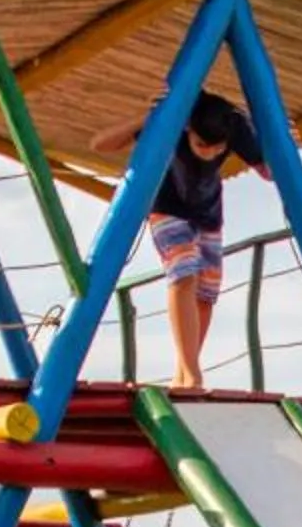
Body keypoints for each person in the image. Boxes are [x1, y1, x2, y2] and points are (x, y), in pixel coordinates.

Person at [99, 90, 262, 392]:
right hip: (167, 207)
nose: (210, 154)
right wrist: (149, 118)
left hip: (207, 212)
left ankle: (182, 373)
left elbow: (268, 171)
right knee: (184, 272)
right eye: (202, 145)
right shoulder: (174, 121)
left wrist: (280, 142)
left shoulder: (233, 124)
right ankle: (192, 373)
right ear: (188, 129)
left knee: (206, 294)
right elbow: (100, 144)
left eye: (218, 149)